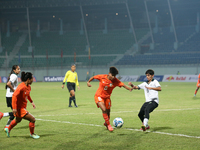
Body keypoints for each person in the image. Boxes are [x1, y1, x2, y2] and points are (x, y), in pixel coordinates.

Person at [87, 66, 133, 132]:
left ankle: (106, 123)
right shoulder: (102, 76)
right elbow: (93, 77)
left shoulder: (115, 81)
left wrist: (129, 88)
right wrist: (88, 82)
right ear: (109, 73)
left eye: (114, 75)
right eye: (112, 75)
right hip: (99, 96)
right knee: (104, 109)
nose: (113, 77)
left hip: (107, 98)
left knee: (108, 112)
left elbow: (123, 85)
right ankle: (109, 125)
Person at [4, 72, 40, 139]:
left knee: (18, 120)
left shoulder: (28, 87)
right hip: (19, 108)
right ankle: (32, 134)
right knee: (32, 119)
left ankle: (8, 128)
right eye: (32, 78)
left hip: (22, 107)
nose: (33, 80)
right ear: (28, 79)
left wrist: (31, 102)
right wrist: (14, 108)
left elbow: (27, 95)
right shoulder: (21, 86)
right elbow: (14, 95)